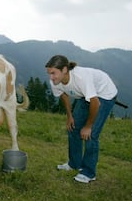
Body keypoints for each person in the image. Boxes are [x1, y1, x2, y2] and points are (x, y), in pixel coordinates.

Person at [45, 55, 117, 183]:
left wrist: (88, 126)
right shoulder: (55, 81)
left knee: (91, 134)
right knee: (73, 128)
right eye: (49, 73)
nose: (51, 77)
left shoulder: (81, 78)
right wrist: (69, 117)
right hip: (86, 95)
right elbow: (64, 95)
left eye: (54, 73)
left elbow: (95, 103)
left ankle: (89, 173)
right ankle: (74, 164)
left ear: (64, 70)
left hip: (104, 94)